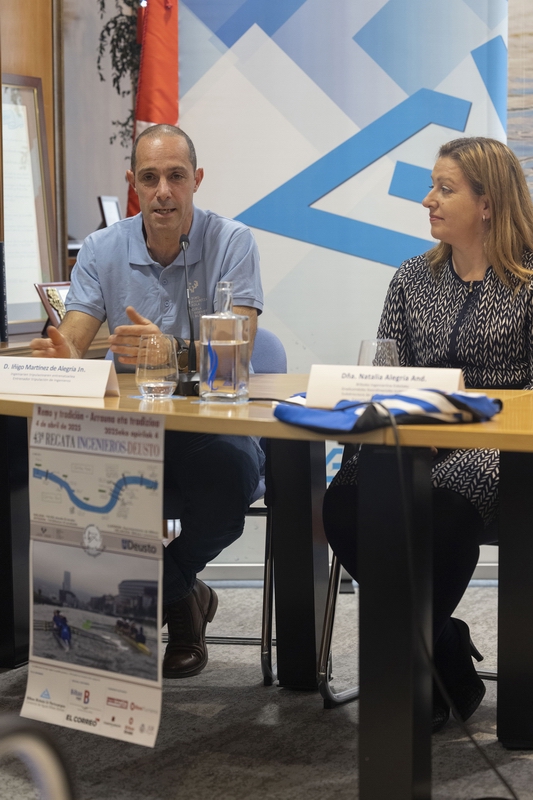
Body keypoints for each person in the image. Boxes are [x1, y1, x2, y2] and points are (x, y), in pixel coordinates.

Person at [30, 124, 264, 680]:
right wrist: (62, 352)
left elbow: (241, 345)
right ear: (132, 183)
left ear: (196, 180)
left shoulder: (233, 241)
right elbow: (75, 337)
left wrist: (172, 350)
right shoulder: (101, 249)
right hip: (132, 433)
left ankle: (160, 592)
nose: (163, 192)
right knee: (64, 471)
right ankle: (185, 601)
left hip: (211, 424)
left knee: (228, 481)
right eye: (150, 178)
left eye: (176, 177)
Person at [323, 137, 533, 732]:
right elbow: (385, 372)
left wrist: (466, 421)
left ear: (487, 203)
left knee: (442, 509)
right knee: (343, 503)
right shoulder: (413, 277)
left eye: (445, 189)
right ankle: (444, 650)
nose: (427, 200)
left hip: (498, 449)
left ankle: (406, 674)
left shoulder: (529, 280)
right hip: (413, 438)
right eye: (432, 187)